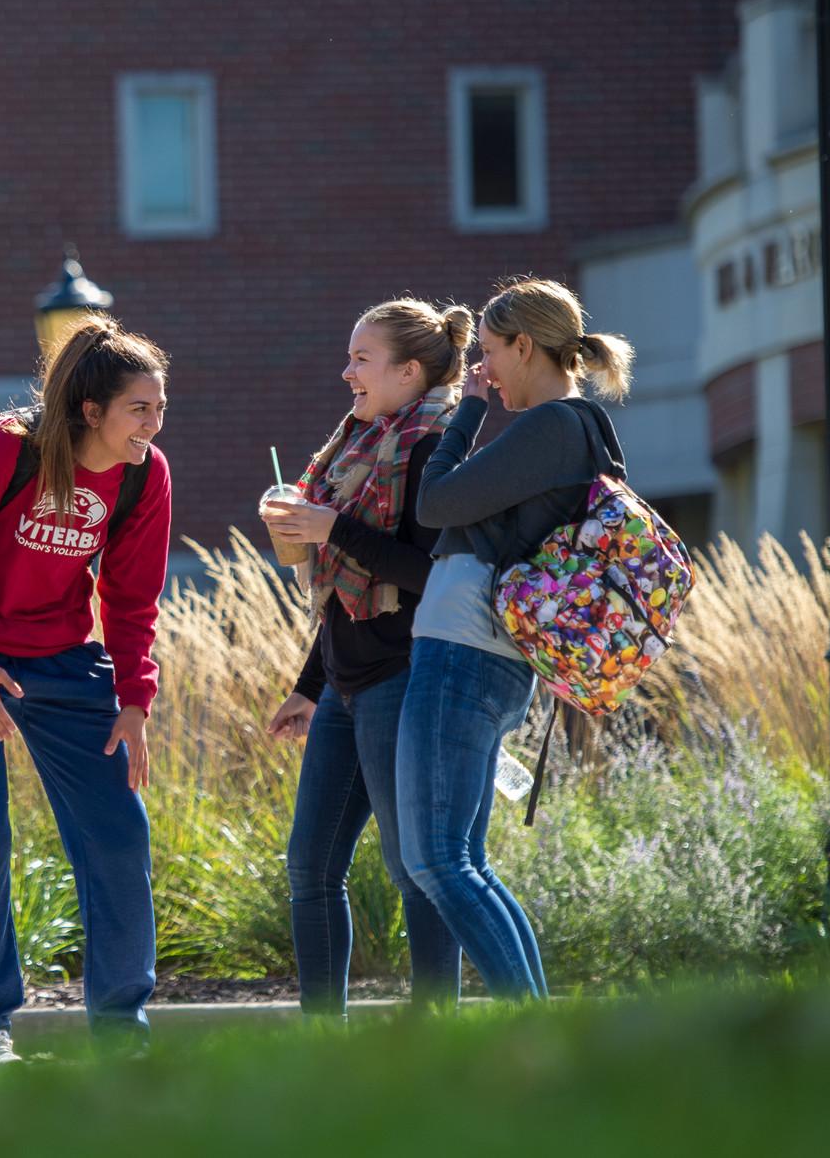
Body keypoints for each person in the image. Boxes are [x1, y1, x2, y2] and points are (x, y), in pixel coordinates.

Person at [0, 315, 173, 1074]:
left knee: (119, 833)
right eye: (138, 410)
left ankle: (123, 1034)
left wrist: (133, 699)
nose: (153, 424)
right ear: (92, 412)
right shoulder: (4, 451)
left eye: (159, 407)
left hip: (58, 657)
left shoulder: (145, 474)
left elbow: (131, 598)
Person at [399, 276, 634, 1000]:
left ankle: (535, 1032)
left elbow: (435, 504)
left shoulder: (554, 426)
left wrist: (465, 412)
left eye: (493, 354)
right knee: (460, 860)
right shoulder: (580, 429)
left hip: (466, 651)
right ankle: (540, 1025)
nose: (486, 371)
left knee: (438, 862)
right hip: (489, 656)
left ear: (526, 346)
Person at [258, 299, 469, 1015]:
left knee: (419, 869)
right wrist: (308, 687)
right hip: (346, 685)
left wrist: (332, 527)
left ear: (409, 371)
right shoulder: (354, 443)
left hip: (404, 681)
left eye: (361, 358)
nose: (345, 371)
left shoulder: (434, 444)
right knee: (310, 868)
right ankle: (325, 1041)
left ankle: (436, 1030)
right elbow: (346, 595)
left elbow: (430, 571)